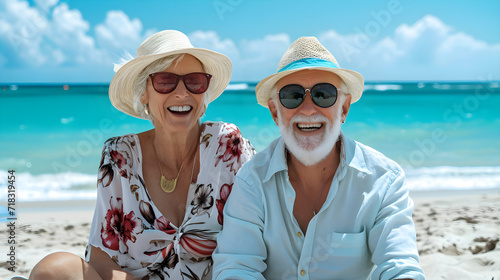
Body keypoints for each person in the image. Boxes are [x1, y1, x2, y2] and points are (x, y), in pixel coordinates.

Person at [28, 30, 255, 280]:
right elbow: (102, 256)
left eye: (195, 81)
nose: (182, 93)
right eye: (165, 81)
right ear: (144, 93)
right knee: (54, 269)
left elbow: (260, 234)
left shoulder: (227, 146)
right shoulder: (119, 156)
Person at [212, 37, 425, 280]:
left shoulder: (384, 180)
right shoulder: (252, 181)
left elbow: (399, 266)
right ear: (274, 112)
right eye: (292, 96)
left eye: (323, 94)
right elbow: (236, 268)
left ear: (344, 108)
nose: (308, 109)